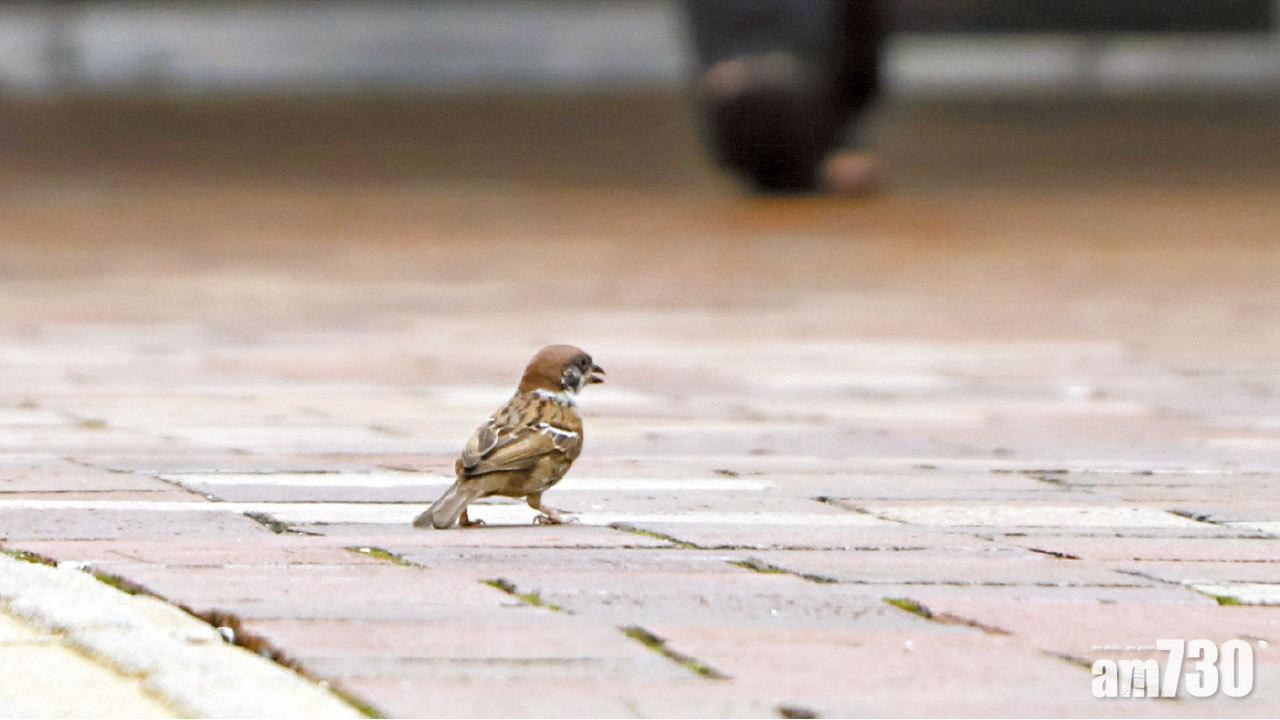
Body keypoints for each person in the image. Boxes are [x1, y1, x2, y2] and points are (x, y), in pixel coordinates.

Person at [683, 0, 882, 195]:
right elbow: (716, 70)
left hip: (820, 98)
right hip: (747, 100)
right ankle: (828, 161)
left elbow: (857, 70)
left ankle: (835, 154)